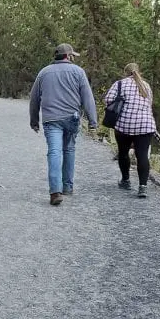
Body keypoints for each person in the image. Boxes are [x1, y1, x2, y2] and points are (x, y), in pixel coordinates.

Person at [29, 43, 98, 206]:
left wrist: (34, 121)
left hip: (51, 119)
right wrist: (92, 121)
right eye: (72, 55)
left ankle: (55, 192)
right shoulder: (78, 72)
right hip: (71, 118)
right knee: (69, 149)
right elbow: (88, 97)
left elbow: (34, 98)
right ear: (68, 56)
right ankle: (67, 187)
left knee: (54, 151)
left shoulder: (43, 73)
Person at [104, 62, 158, 198]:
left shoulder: (120, 84)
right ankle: (143, 187)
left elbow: (108, 99)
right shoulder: (146, 86)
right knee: (142, 155)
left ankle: (126, 180)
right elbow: (149, 104)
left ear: (125, 72)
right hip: (146, 125)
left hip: (125, 124)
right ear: (138, 71)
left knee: (123, 152)